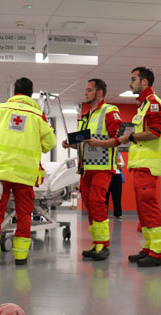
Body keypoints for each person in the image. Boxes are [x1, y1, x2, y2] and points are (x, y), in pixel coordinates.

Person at [0, 77, 56, 266]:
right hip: (25, 174)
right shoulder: (38, 115)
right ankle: (21, 256)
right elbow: (50, 143)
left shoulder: (2, 109)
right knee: (24, 214)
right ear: (31, 93)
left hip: (0, 171)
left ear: (14, 91)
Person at [62, 79, 123, 261]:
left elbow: (118, 140)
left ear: (99, 93)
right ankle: (96, 243)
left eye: (89, 90)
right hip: (86, 169)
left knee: (97, 202)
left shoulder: (110, 111)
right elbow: (84, 145)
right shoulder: (86, 115)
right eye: (85, 90)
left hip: (103, 168)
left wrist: (97, 143)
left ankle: (103, 245)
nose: (85, 93)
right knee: (90, 205)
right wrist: (70, 145)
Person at [116, 67, 161, 267]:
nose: (130, 83)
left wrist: (131, 137)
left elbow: (154, 132)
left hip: (148, 166)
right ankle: (148, 248)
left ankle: (158, 253)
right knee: (143, 211)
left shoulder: (154, 103)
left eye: (133, 79)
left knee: (150, 209)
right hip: (139, 166)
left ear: (144, 82)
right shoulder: (144, 105)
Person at [106, 152, 125, 219]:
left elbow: (121, 164)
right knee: (105, 196)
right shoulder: (104, 153)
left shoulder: (118, 154)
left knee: (117, 196)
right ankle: (104, 214)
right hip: (106, 174)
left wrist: (111, 165)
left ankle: (118, 213)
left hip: (117, 175)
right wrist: (114, 164)